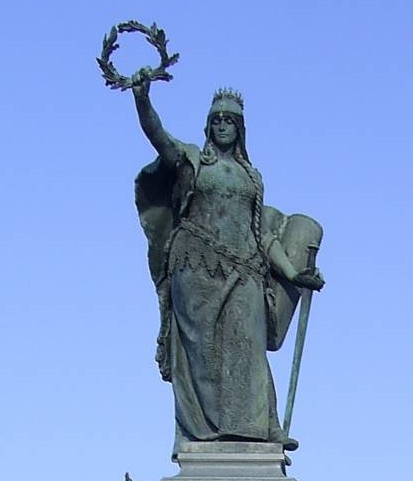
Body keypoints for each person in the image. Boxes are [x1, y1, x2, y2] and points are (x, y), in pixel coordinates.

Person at [131, 78, 323, 457]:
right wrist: (142, 99)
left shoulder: (252, 177)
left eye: (230, 120)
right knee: (201, 355)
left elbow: (262, 236)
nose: (222, 125)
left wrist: (291, 273)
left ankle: (261, 428)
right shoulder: (191, 160)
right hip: (196, 269)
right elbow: (158, 136)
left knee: (248, 347)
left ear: (240, 129)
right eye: (216, 119)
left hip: (246, 268)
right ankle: (201, 435)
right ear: (207, 126)